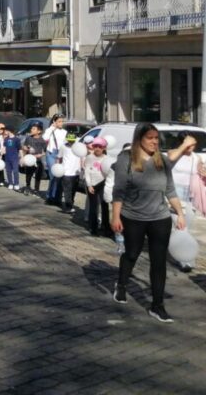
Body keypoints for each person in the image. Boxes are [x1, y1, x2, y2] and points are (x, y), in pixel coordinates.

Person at [111, 123, 188, 322]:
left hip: (160, 218)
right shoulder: (126, 158)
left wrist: (180, 213)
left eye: (156, 138)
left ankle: (157, 305)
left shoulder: (162, 160)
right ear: (139, 139)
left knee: (159, 261)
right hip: (133, 216)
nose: (155, 142)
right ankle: (121, 284)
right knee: (132, 253)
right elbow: (118, 190)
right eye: (150, 138)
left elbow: (170, 189)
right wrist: (115, 216)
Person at [82, 137, 110, 237]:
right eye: (95, 146)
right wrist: (89, 185)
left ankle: (106, 227)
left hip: (103, 183)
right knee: (93, 206)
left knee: (104, 205)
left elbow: (109, 173)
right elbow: (87, 172)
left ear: (104, 148)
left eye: (100, 147)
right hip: (92, 184)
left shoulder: (106, 158)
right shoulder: (90, 157)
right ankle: (93, 227)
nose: (97, 149)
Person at [44, 114, 67, 206]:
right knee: (53, 175)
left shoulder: (64, 132)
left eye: (62, 121)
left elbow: (65, 143)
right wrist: (51, 128)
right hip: (51, 153)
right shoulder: (50, 130)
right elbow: (45, 138)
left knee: (60, 176)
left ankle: (57, 198)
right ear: (54, 122)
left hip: (61, 154)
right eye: (59, 121)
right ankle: (50, 197)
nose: (61, 123)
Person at [21, 123, 48, 197]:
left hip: (38, 160)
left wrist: (40, 155)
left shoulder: (42, 140)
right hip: (29, 160)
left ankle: (36, 189)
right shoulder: (28, 138)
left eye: (33, 129)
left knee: (38, 175)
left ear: (39, 131)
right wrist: (24, 152)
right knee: (28, 174)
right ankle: (28, 187)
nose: (31, 130)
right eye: (31, 129)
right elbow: (24, 147)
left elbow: (45, 151)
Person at [58, 135, 82, 213]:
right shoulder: (63, 147)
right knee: (67, 190)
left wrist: (81, 168)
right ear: (67, 140)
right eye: (69, 140)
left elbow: (82, 158)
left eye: (72, 140)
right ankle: (68, 206)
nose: (71, 142)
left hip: (76, 172)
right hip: (66, 172)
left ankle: (70, 205)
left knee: (73, 190)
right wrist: (58, 168)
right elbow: (59, 158)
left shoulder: (79, 147)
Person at [0, 123, 21, 191]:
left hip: (14, 158)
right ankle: (10, 183)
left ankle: (16, 184)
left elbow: (20, 149)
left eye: (5, 130)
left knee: (15, 171)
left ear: (9, 131)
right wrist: (0, 156)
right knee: (8, 171)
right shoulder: (6, 139)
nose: (4, 131)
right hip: (7, 158)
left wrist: (22, 157)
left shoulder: (17, 139)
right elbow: (4, 148)